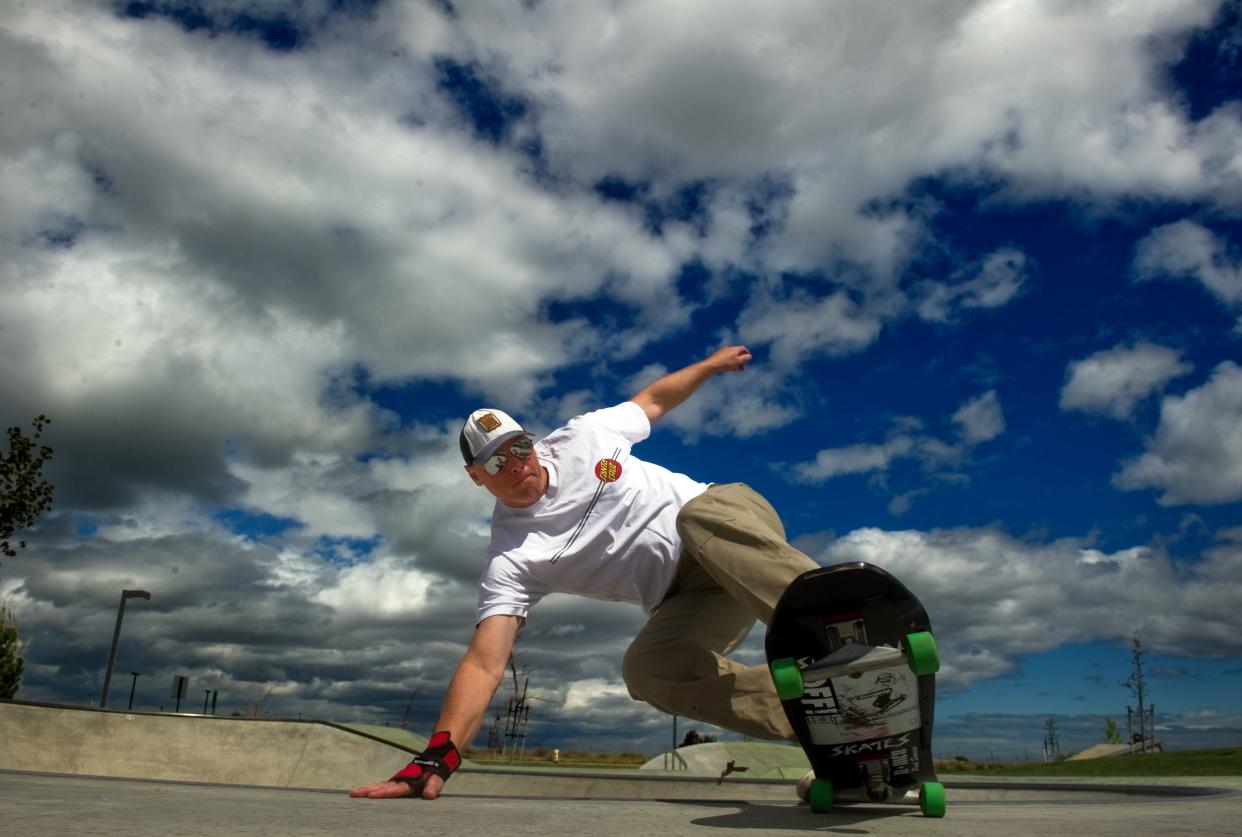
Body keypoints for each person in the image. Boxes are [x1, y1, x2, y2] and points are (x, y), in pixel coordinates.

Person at [351, 345, 821, 800]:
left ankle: (840, 621)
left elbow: (654, 400)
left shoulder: (585, 435)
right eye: (496, 461)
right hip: (692, 595)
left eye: (519, 447)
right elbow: (484, 662)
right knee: (647, 671)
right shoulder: (511, 559)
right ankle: (825, 719)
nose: (516, 465)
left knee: (695, 518)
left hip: (729, 519)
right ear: (476, 476)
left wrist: (712, 365)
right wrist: (438, 756)